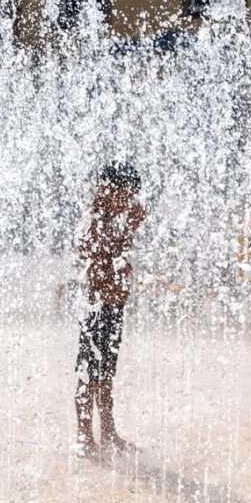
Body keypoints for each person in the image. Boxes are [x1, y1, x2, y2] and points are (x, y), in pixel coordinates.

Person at [74, 162, 146, 455]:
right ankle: (84, 436)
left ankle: (108, 432)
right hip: (95, 308)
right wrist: (130, 227)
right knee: (88, 373)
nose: (130, 201)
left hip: (112, 306)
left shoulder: (112, 219)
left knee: (105, 375)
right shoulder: (95, 221)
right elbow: (102, 258)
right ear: (107, 189)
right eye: (126, 194)